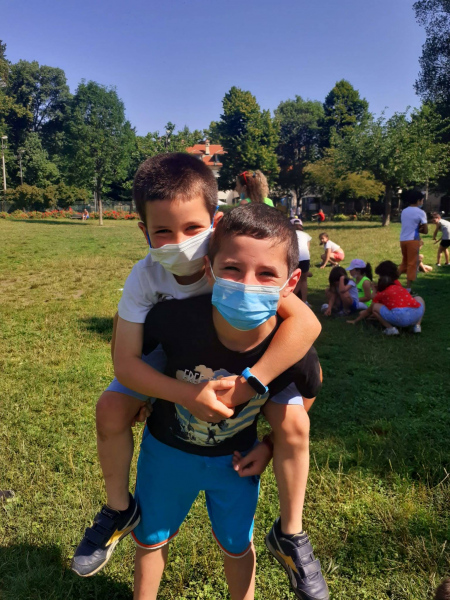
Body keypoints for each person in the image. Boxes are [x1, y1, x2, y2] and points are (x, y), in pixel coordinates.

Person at [71, 153, 323, 580]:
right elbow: (125, 361)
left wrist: (251, 384)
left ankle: (291, 533)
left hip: (246, 358)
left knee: (296, 420)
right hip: (173, 353)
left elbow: (306, 324)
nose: (180, 241)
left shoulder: (236, 263)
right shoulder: (145, 276)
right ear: (144, 232)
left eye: (192, 228)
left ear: (215, 223)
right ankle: (118, 509)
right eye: (162, 231)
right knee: (110, 408)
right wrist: (180, 394)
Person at [133, 205, 328, 600]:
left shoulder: (290, 349)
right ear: (209, 269)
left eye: (267, 274)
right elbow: (143, 362)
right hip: (166, 455)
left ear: (291, 282)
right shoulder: (172, 321)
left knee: (237, 545)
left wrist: (269, 445)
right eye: (233, 269)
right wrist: (143, 396)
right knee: (150, 540)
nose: (247, 285)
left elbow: (308, 393)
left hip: (236, 464)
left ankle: (288, 538)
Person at [347, 261, 425, 335]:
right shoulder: (398, 287)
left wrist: (356, 320)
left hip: (400, 317)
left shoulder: (383, 292)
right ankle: (417, 325)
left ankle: (391, 329)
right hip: (415, 315)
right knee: (419, 298)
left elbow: (371, 307)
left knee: (375, 308)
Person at [399, 189, 428, 290]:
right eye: (422, 200)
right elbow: (426, 230)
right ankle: (408, 289)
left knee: (404, 262)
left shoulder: (404, 211)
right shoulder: (421, 212)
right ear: (418, 200)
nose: (422, 202)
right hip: (413, 240)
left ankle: (389, 281)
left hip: (403, 239)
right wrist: (420, 228)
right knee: (411, 264)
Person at [291, 218, 312, 305]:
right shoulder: (306, 235)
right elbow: (307, 248)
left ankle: (290, 298)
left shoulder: (289, 234)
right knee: (303, 280)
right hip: (305, 258)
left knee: (293, 279)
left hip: (294, 257)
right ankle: (304, 301)